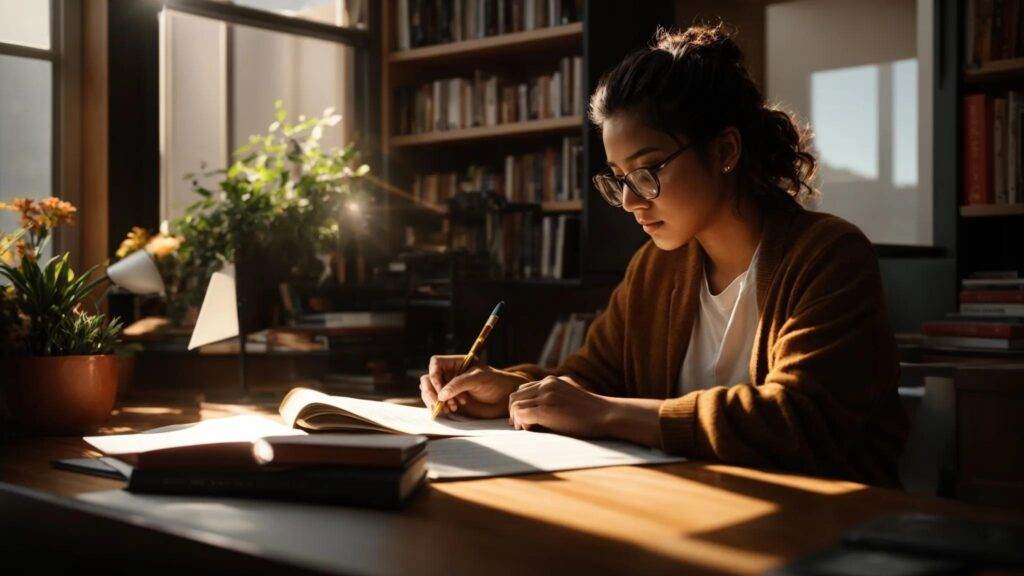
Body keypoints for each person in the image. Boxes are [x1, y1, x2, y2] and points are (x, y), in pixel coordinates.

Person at [419, 23, 907, 487]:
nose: (630, 200)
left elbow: (795, 419)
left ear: (724, 151)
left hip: (828, 525)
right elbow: (588, 380)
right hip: (693, 506)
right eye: (618, 178)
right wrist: (509, 389)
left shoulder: (827, 256)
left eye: (648, 169)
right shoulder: (657, 266)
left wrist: (607, 412)